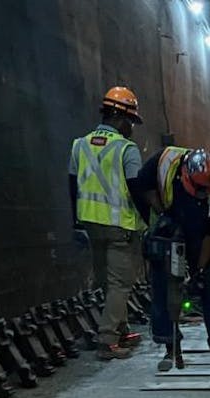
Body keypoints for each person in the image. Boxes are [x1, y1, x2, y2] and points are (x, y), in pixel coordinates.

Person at [139, 147, 210, 371]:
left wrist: (199, 271)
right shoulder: (165, 161)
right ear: (185, 174)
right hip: (170, 226)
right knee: (163, 286)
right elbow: (142, 184)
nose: (205, 192)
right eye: (199, 188)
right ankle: (170, 347)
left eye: (207, 188)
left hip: (201, 233)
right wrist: (162, 215)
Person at [69, 86, 148, 360]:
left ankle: (122, 329)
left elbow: (72, 184)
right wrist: (149, 219)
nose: (132, 128)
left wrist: (76, 220)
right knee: (121, 283)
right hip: (119, 225)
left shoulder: (80, 145)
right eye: (131, 122)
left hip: (90, 223)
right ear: (122, 119)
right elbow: (136, 187)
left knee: (107, 280)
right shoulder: (126, 149)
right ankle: (108, 339)